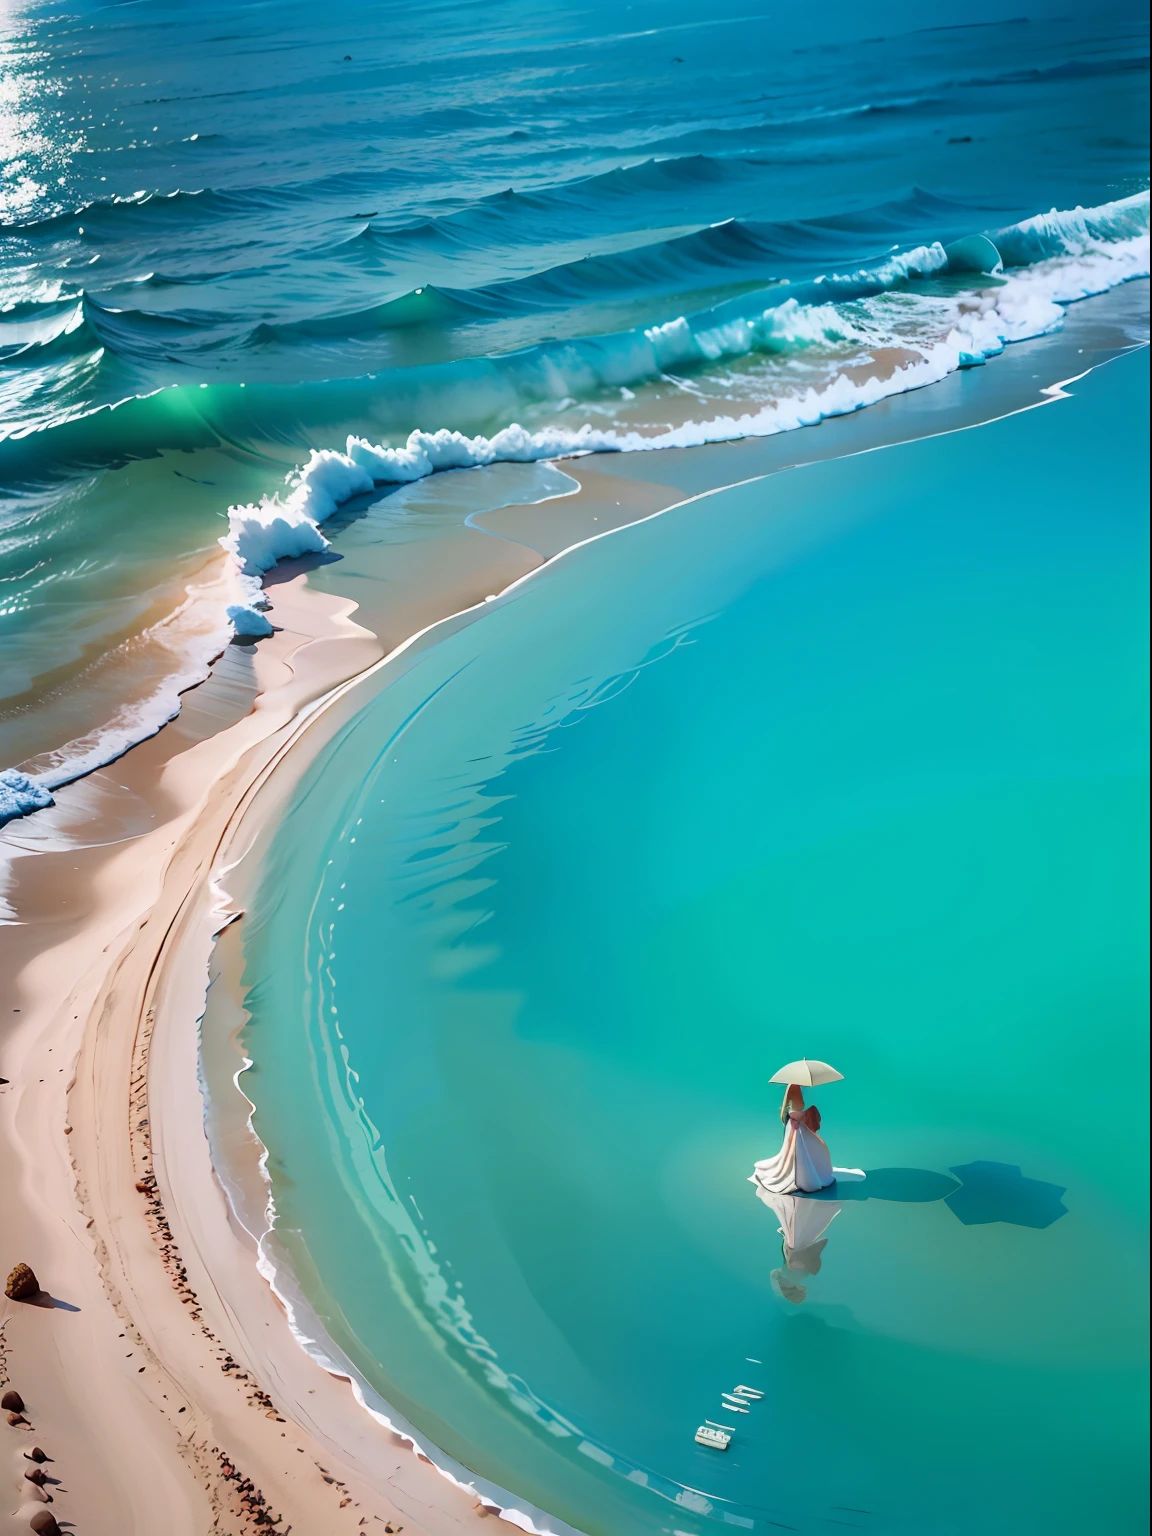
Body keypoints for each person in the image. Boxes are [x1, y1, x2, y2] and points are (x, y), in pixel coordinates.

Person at [749, 1084, 836, 1195]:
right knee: (805, 1150)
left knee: (808, 1148)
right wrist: (807, 1113)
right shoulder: (795, 1087)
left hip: (796, 1126)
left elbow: (794, 1109)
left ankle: (808, 1172)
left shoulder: (793, 1088)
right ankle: (803, 1176)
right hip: (797, 1127)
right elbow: (797, 1109)